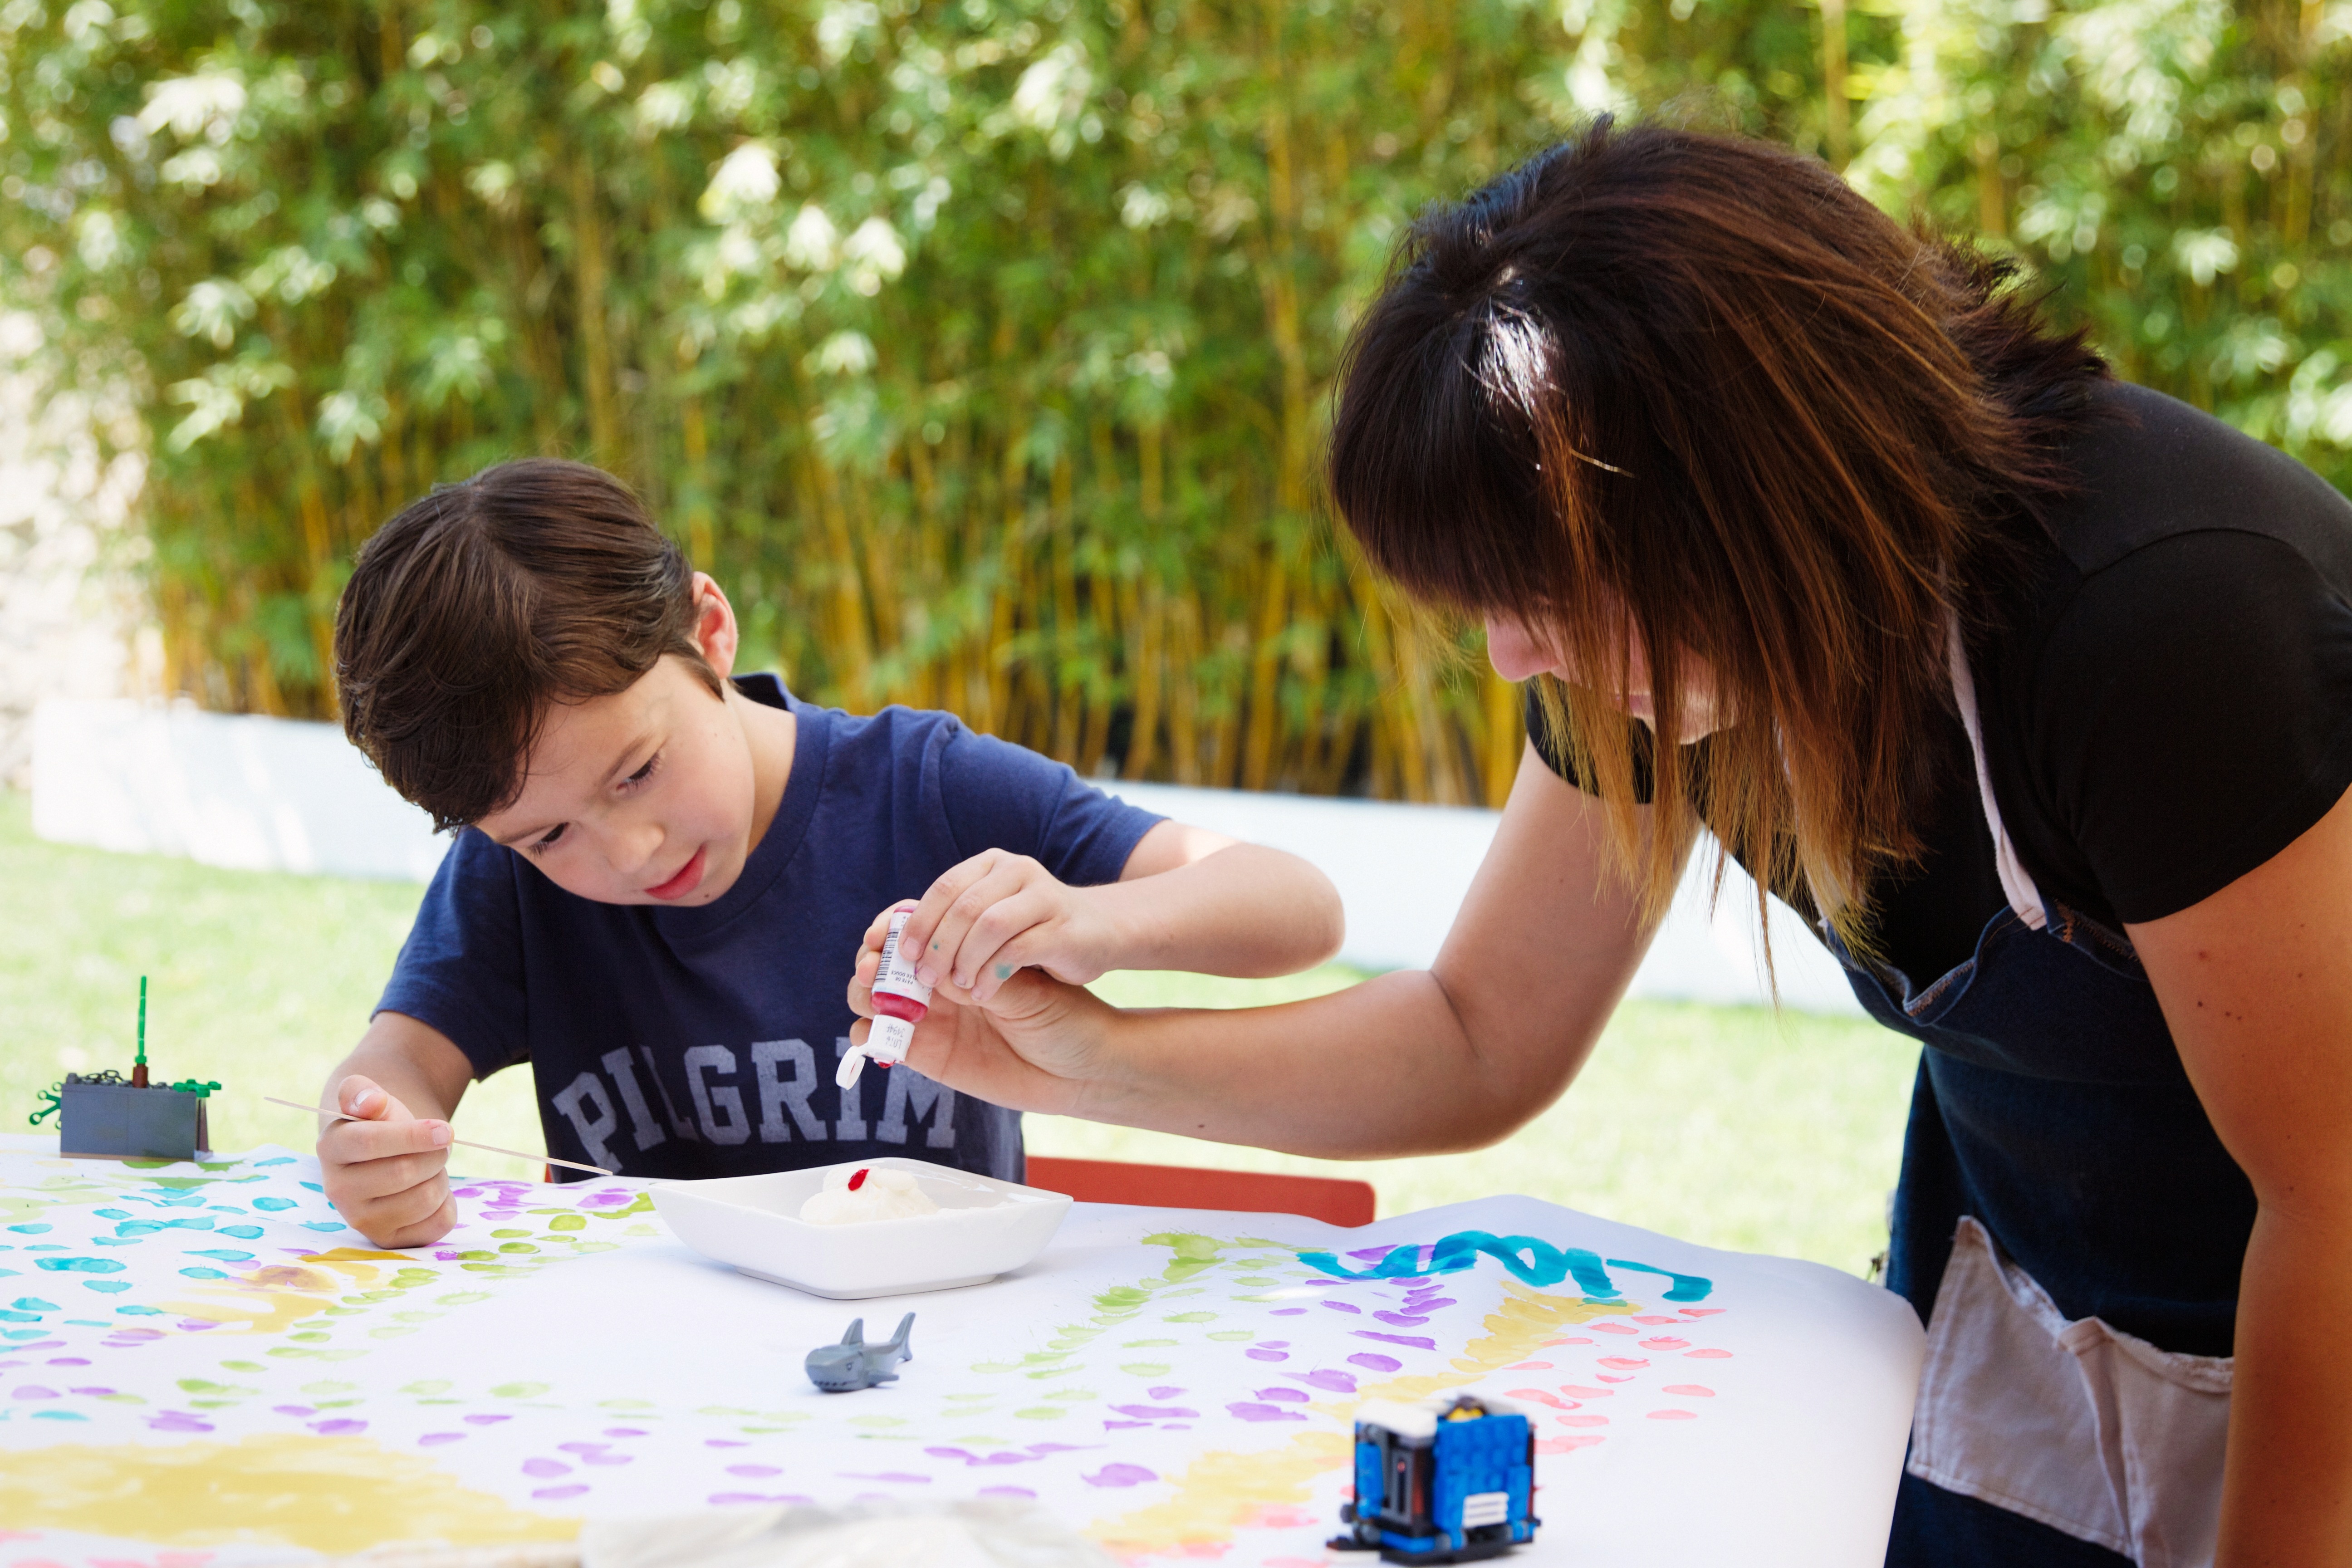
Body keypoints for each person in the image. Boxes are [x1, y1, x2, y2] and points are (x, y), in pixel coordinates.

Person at [853, 122, 2352, 1566]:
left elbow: (2330, 1189)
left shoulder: (2164, 620)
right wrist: (1085, 1058)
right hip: (2032, 1259)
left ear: (1754, 505)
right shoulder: (1643, 637)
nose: (1515, 659)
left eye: (1546, 594)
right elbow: (1477, 1031)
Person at [318, 458, 1342, 1250]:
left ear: (707, 632)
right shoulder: (513, 877)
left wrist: (1090, 918)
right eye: (548, 834)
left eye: (637, 771)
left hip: (939, 1360)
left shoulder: (927, 789)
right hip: (650, 1390)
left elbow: (1297, 907)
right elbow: (402, 1061)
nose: (629, 850)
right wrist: (371, 1131)